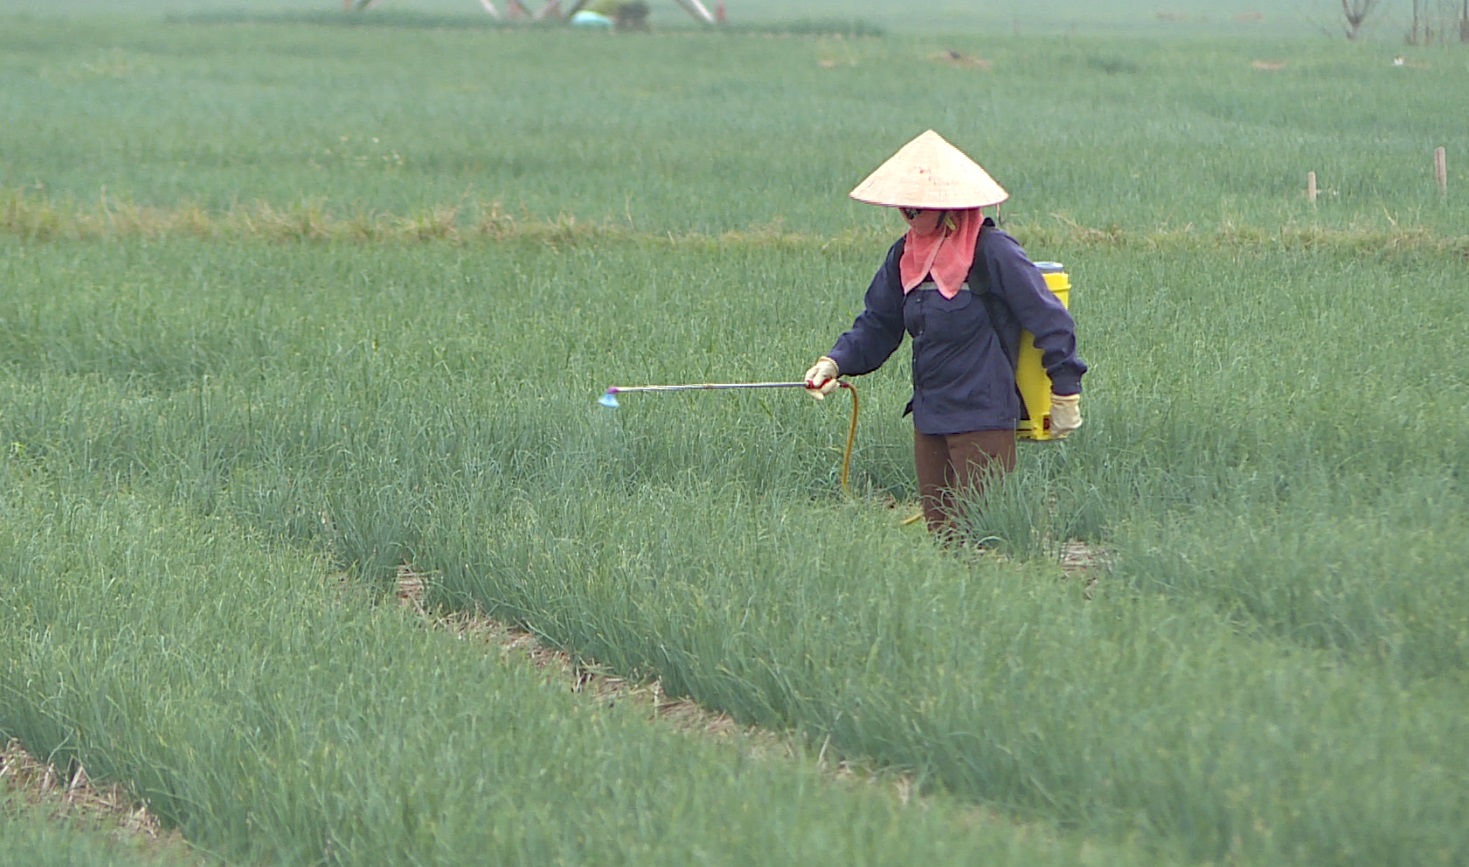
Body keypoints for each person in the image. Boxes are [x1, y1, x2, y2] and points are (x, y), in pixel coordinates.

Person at [802, 130, 1086, 540]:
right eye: (904, 204)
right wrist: (835, 361)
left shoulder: (993, 252)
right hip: (931, 418)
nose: (908, 212)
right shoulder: (905, 255)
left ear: (947, 203)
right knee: (945, 541)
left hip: (983, 418)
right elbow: (878, 323)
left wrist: (1065, 390)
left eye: (919, 204)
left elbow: (1050, 319)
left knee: (983, 538)